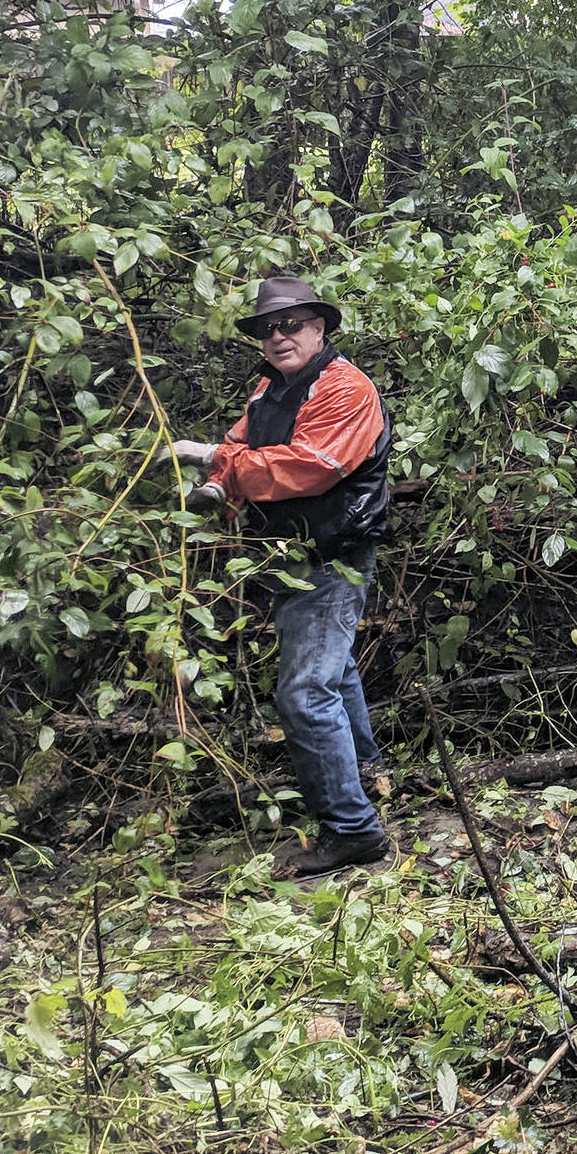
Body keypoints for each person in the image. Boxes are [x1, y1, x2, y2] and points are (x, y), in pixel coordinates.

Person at [175, 273, 395, 879]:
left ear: (319, 327)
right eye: (268, 328)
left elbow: (312, 467)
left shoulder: (345, 388)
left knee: (304, 693)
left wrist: (219, 461)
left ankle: (354, 832)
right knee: (335, 669)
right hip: (286, 558)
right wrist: (217, 488)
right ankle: (370, 773)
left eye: (290, 324)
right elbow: (242, 445)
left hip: (331, 558)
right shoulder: (268, 390)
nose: (278, 336)